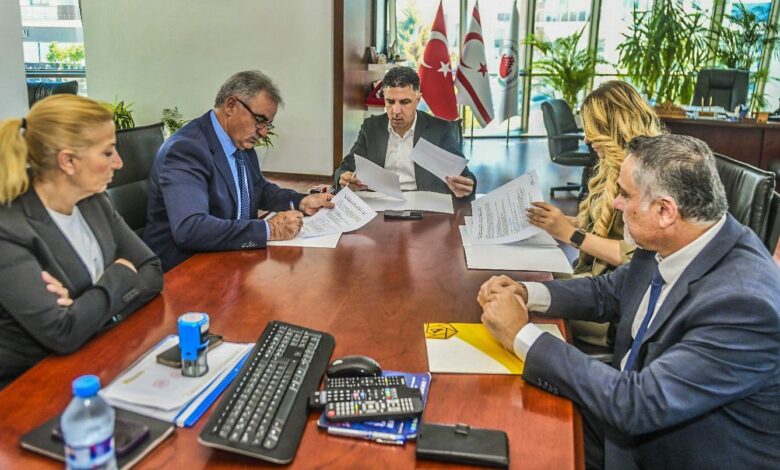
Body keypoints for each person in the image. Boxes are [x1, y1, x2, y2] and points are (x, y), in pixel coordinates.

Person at [479, 134, 780, 470]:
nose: (616, 204)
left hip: (663, 451)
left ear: (665, 210)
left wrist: (520, 334)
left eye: (625, 194)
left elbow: (637, 403)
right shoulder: (674, 240)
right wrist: (525, 292)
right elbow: (607, 292)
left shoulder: (743, 306)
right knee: (497, 424)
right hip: (627, 419)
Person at [0, 95, 164, 389]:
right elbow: (63, 332)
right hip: (30, 386)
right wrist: (121, 273)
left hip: (96, 356)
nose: (119, 162)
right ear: (68, 161)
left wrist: (85, 307)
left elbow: (152, 270)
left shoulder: (93, 201)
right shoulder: (9, 228)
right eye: (108, 152)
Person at [144, 70, 335, 271]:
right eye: (259, 120)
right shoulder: (186, 149)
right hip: (185, 270)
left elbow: (259, 188)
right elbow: (191, 228)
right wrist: (269, 229)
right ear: (231, 105)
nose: (263, 132)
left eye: (268, 124)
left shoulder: (240, 142)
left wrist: (300, 201)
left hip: (230, 258)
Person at [527, 81, 663, 347]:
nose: (587, 140)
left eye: (593, 130)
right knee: (529, 278)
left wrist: (571, 234)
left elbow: (637, 257)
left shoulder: (652, 175)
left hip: (616, 305)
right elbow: (603, 225)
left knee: (527, 306)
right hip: (596, 280)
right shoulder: (613, 165)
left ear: (613, 127)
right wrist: (559, 222)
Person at [334, 66, 476, 198]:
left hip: (423, 205)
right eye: (390, 102)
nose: (396, 111)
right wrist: (343, 177)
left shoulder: (440, 129)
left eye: (404, 102)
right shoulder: (371, 127)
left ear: (417, 100)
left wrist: (467, 186)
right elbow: (345, 168)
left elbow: (465, 177)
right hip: (380, 203)